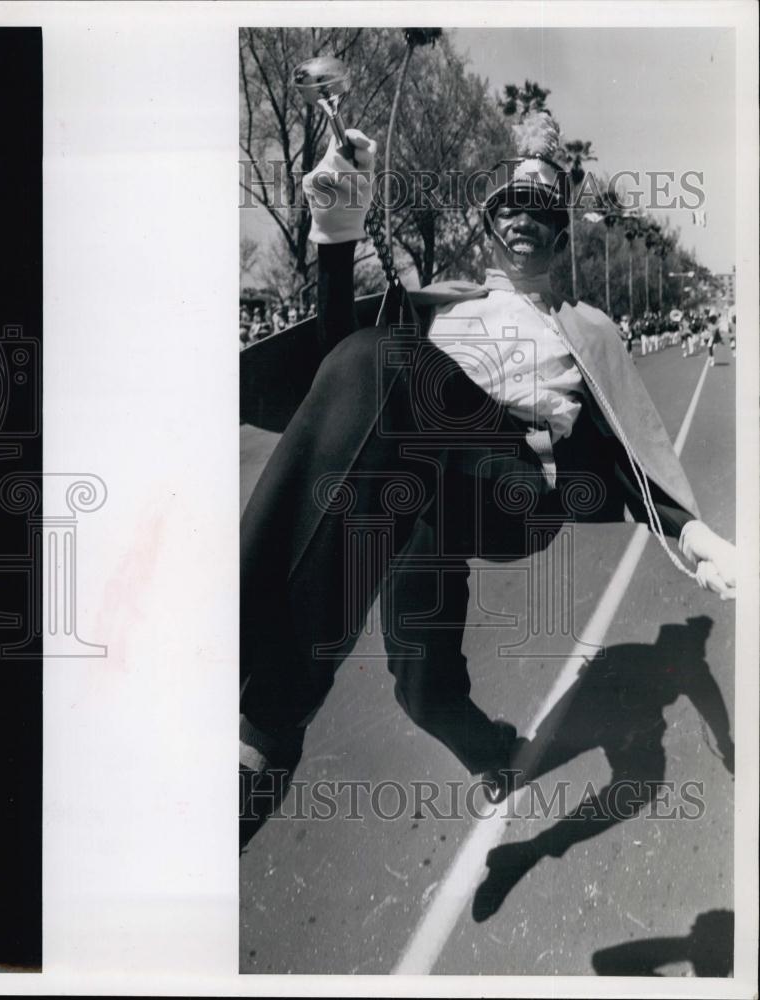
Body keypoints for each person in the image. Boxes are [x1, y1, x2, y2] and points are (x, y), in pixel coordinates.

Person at [239, 112, 736, 844]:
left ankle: (248, 691)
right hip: (421, 500)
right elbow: (335, 377)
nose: (526, 216)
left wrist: (691, 533)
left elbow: (623, 449)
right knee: (422, 692)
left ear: (561, 238)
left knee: (385, 358)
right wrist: (336, 233)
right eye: (512, 202)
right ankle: (487, 751)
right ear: (486, 224)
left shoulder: (584, 324)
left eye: (544, 208)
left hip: (511, 487)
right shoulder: (439, 304)